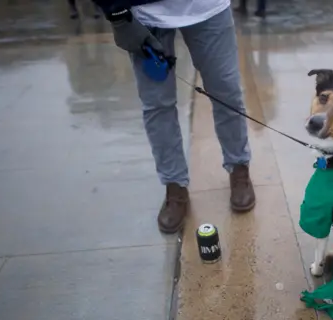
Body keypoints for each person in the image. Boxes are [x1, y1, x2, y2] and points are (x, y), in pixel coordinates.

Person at [93, 0, 255, 234]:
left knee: (227, 93)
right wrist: (116, 12)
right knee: (157, 105)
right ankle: (175, 186)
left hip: (209, 8)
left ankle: (239, 167)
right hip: (145, 14)